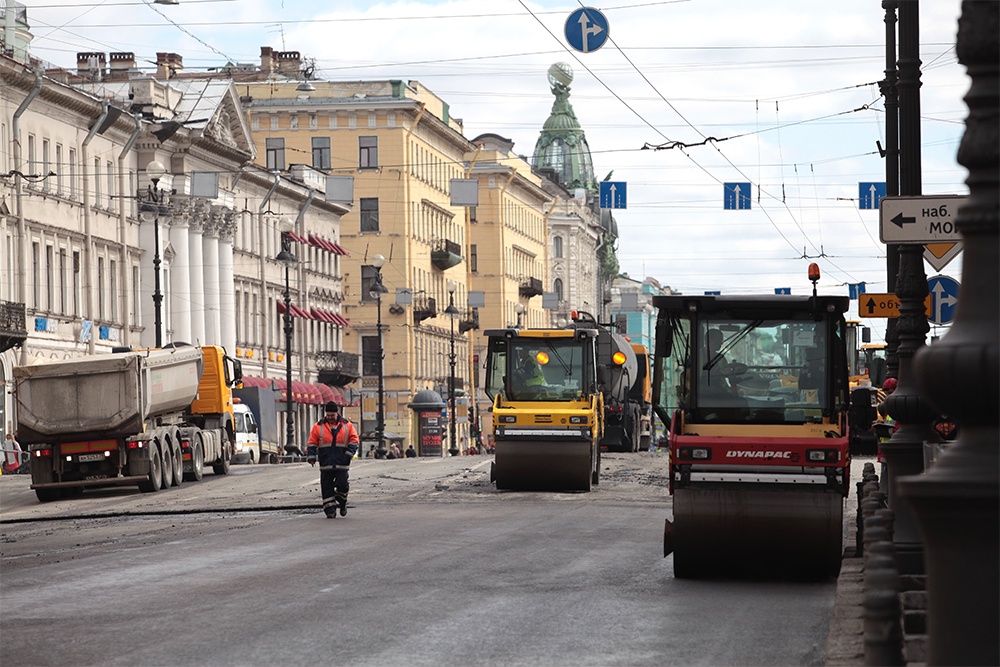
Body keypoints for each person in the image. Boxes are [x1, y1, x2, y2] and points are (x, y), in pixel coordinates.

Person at [307, 401, 359, 519]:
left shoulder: (347, 425)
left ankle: (342, 500)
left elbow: (354, 440)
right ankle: (330, 510)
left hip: (342, 462)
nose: (330, 417)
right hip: (326, 462)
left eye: (332, 415)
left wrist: (348, 455)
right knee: (326, 487)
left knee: (342, 484)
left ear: (337, 413)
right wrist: (311, 457)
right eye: (328, 415)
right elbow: (312, 442)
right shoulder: (318, 427)